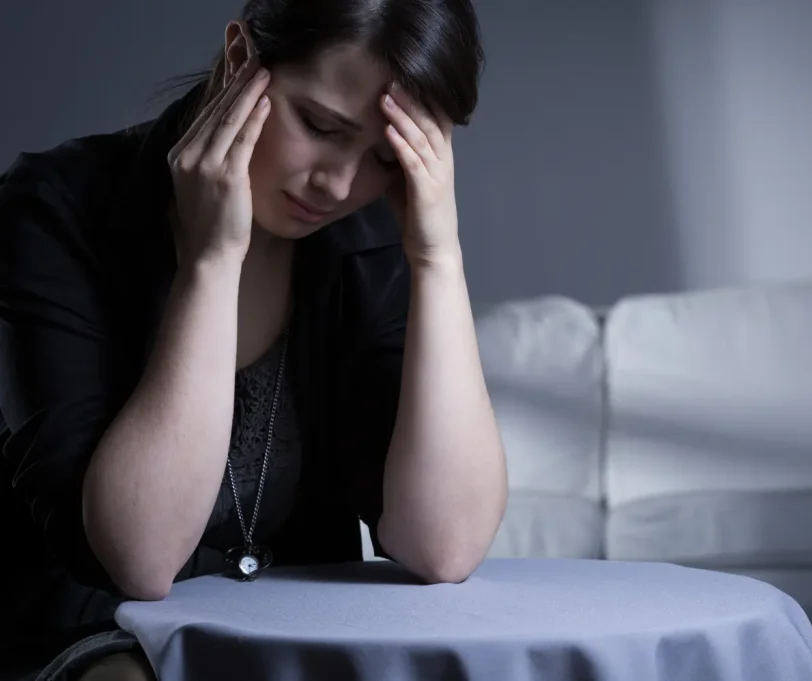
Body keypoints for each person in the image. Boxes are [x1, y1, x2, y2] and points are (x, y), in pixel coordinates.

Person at [0, 0, 508, 678]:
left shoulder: (364, 231)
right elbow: (140, 559)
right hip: (95, 632)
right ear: (240, 59)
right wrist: (212, 264)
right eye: (319, 125)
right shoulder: (53, 209)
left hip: (295, 639)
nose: (338, 184)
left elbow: (445, 545)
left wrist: (438, 258)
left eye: (386, 159)